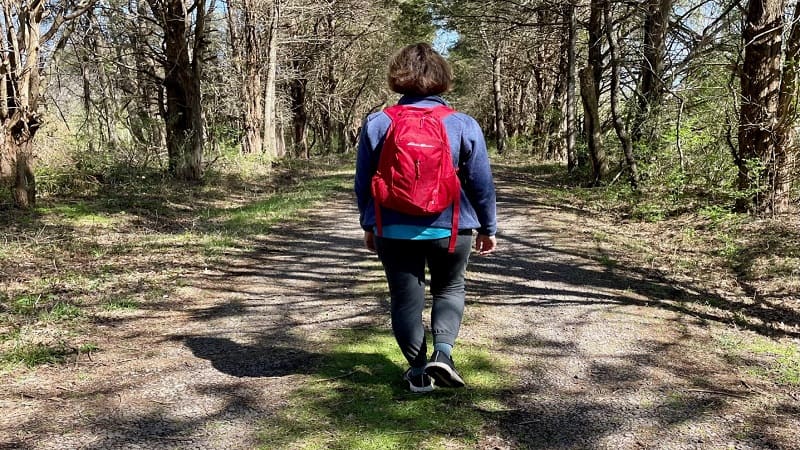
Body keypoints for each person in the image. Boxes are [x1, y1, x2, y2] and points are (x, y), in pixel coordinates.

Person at [354, 43, 497, 393]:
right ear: (442, 78)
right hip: (452, 227)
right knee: (449, 287)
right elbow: (481, 183)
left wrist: (369, 224)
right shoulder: (462, 124)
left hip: (394, 227)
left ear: (397, 77)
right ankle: (443, 355)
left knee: (405, 300)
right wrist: (488, 227)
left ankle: (418, 372)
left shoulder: (378, 122)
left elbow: (363, 182)